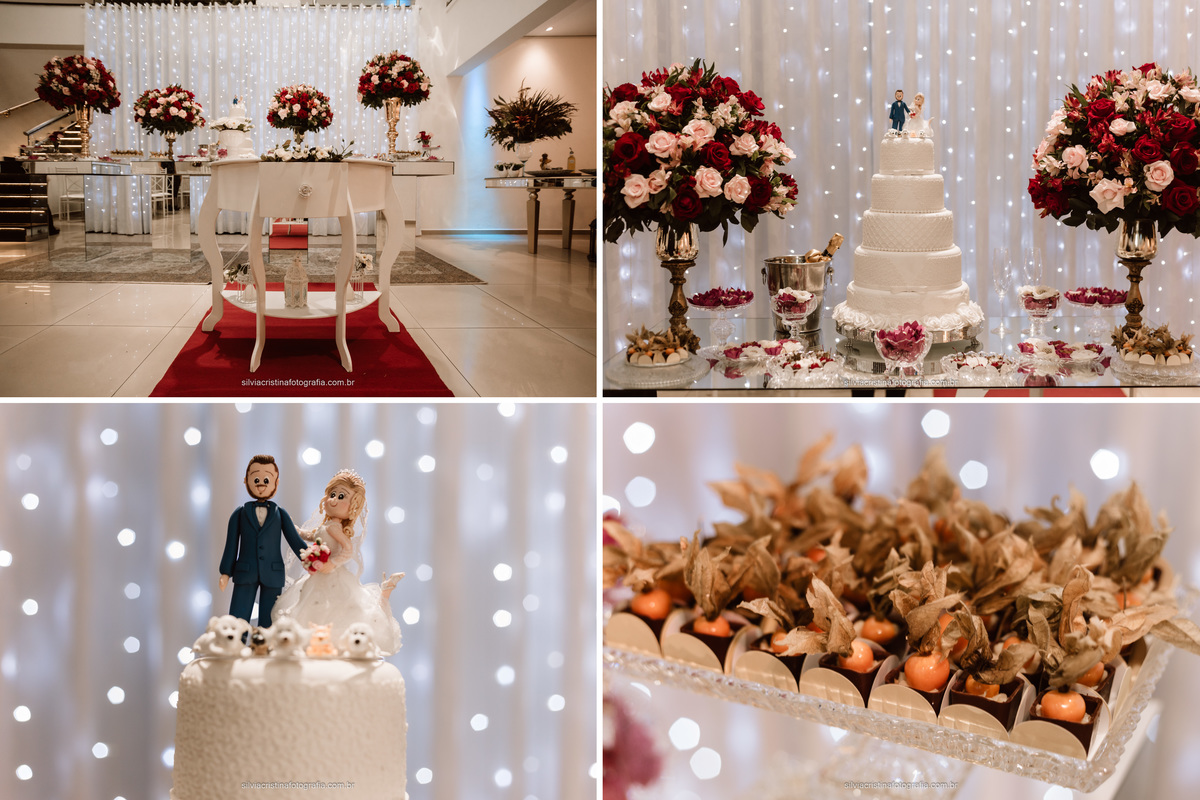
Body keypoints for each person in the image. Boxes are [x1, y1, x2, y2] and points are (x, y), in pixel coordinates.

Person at [272, 469, 405, 655]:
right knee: (309, 603)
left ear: (353, 507)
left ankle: (329, 641)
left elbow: (347, 550)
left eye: (341, 496)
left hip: (331, 575)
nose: (333, 500)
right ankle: (314, 641)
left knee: (331, 607)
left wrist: (332, 563)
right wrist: (294, 529)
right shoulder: (327, 526)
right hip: (318, 575)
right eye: (332, 494)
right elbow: (311, 535)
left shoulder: (335, 528)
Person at [219, 455, 307, 628]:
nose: (261, 484)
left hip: (273, 573)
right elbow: (231, 545)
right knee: (238, 616)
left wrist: (311, 558)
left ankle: (265, 648)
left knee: (270, 618)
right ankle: (236, 646)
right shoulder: (240, 513)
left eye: (266, 479)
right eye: (256, 479)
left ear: (276, 482)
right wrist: (225, 572)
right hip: (245, 571)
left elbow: (294, 540)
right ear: (246, 481)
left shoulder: (280, 514)